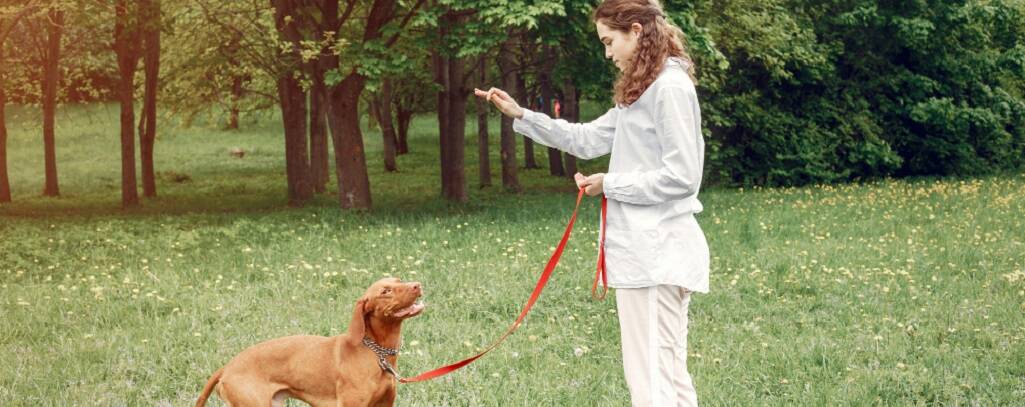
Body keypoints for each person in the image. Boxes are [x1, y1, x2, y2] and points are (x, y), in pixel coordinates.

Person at [474, 0, 708, 405]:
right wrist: (522, 115)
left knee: (654, 381)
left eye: (609, 41)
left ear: (636, 31)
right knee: (665, 376)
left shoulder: (668, 88)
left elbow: (683, 177)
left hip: (656, 253)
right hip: (647, 254)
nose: (607, 53)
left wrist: (611, 183)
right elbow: (586, 139)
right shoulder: (645, 90)